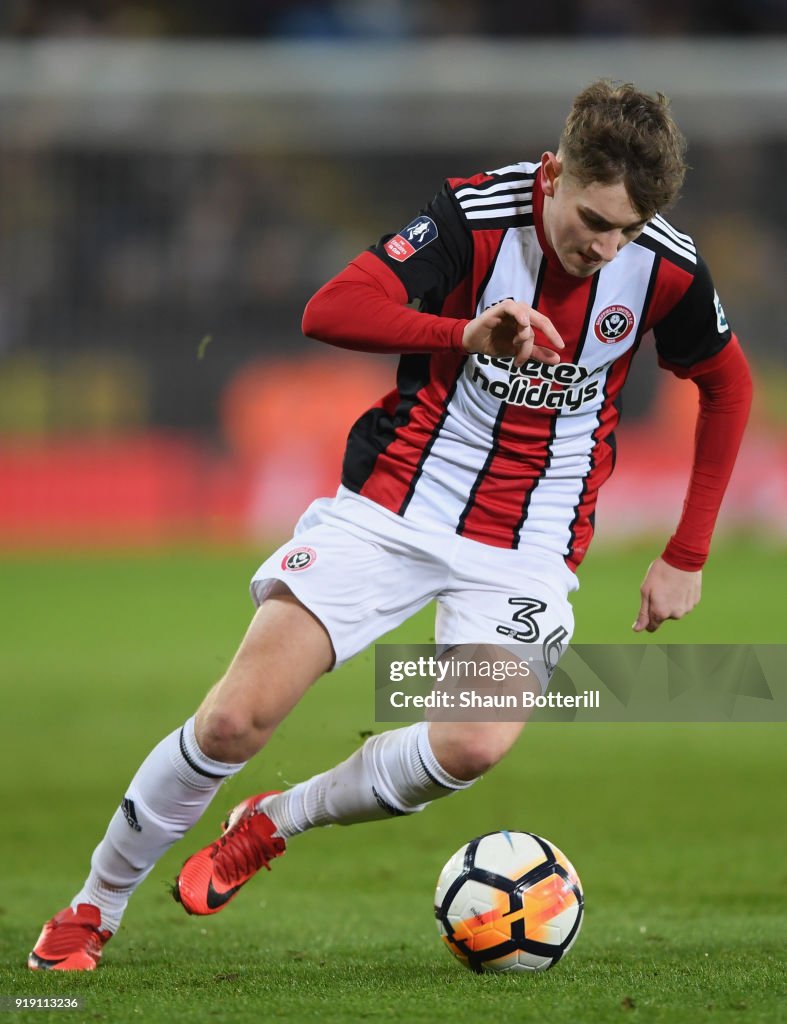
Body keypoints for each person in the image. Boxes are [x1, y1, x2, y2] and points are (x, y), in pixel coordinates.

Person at [28, 79, 752, 970]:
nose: (604, 247)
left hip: (529, 541)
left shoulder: (666, 266)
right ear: (553, 173)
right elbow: (328, 309)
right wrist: (462, 334)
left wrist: (686, 552)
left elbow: (727, 385)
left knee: (471, 742)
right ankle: (93, 906)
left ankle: (275, 821)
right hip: (395, 506)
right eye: (593, 220)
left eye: (625, 231)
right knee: (232, 723)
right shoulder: (473, 217)